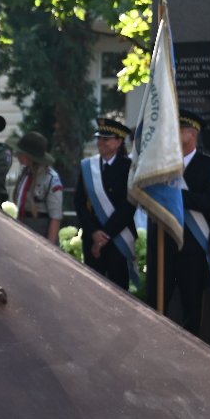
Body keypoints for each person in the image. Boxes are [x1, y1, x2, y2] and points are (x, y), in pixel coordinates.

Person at [156, 114, 210, 334]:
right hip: (163, 243)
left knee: (191, 305)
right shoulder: (162, 165)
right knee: (158, 301)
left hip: (193, 246)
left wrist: (175, 196)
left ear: (192, 134)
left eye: (179, 129)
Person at [74, 117, 137, 291]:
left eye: (106, 139)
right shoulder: (88, 166)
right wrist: (94, 233)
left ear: (118, 142)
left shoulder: (129, 167)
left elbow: (129, 205)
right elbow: (79, 202)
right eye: (99, 138)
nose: (100, 142)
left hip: (119, 237)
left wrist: (106, 235)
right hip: (92, 237)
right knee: (93, 290)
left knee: (118, 289)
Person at [7, 131, 63, 243]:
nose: (17, 154)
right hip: (23, 228)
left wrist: (50, 248)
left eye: (20, 152)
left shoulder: (50, 178)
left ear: (29, 157)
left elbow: (55, 217)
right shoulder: (25, 173)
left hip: (40, 231)